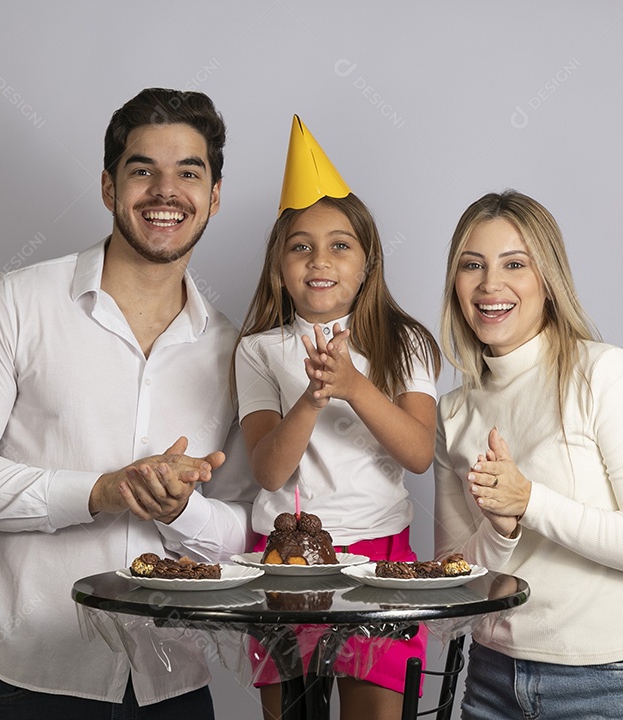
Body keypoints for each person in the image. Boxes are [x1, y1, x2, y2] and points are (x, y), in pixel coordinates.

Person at [0, 88, 256, 720]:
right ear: (108, 186)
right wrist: (97, 491)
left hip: (172, 680)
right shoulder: (15, 303)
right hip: (31, 675)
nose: (165, 190)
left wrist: (184, 512)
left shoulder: (235, 352)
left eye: (189, 172)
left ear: (214, 197)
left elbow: (244, 530)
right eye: (142, 169)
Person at [433, 190, 623, 718]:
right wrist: (500, 530)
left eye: (514, 264)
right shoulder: (453, 412)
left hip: (610, 683)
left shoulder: (602, 373)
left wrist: (530, 501)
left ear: (548, 281)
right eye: (472, 265)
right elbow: (457, 584)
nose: (490, 285)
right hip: (491, 681)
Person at [234, 116, 441, 720]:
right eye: (301, 246)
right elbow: (270, 472)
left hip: (382, 562)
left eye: (339, 245)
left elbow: (419, 453)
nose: (319, 260)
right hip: (285, 568)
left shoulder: (406, 344)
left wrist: (353, 384)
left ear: (367, 261)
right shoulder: (259, 350)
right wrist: (311, 398)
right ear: (280, 265)